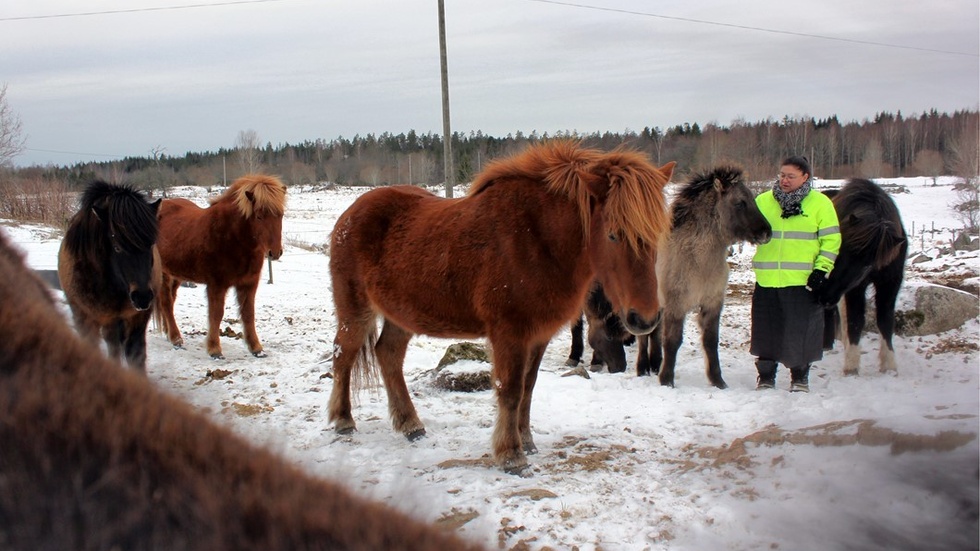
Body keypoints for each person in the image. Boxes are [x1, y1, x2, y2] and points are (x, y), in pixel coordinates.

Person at [751, 156, 841, 392]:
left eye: (790, 176)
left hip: (803, 282)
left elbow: (831, 241)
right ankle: (766, 376)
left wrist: (822, 270)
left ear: (805, 177)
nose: (784, 180)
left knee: (800, 330)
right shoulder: (763, 201)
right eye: (782, 175)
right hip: (768, 279)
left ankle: (800, 377)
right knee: (765, 330)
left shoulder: (820, 204)